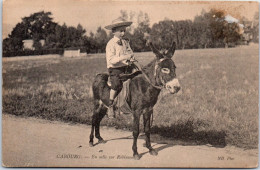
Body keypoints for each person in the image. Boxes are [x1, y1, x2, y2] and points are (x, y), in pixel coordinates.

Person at [104, 18, 136, 118]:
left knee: (137, 78)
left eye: (124, 31)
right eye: (120, 31)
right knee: (117, 84)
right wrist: (124, 57)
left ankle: (127, 105)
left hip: (126, 67)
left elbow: (130, 52)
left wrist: (131, 58)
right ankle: (110, 104)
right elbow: (112, 60)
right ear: (114, 31)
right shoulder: (111, 44)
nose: (123, 33)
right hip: (115, 69)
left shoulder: (126, 42)